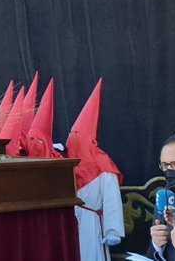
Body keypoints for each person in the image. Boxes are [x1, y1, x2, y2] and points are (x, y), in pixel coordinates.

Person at [65, 80, 123, 261]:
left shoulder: (104, 166)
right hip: (73, 222)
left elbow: (112, 200)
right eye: (72, 134)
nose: (73, 139)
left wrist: (112, 230)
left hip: (92, 223)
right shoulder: (68, 162)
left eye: (77, 135)